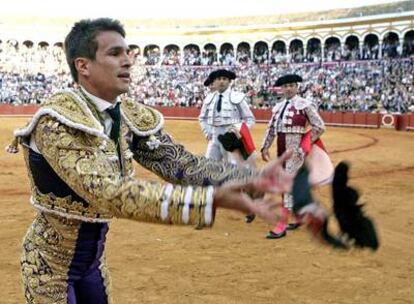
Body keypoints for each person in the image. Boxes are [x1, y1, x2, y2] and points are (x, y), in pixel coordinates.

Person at [6, 18, 293, 303]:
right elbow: (109, 193)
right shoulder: (57, 121)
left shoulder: (128, 113)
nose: (128, 60)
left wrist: (245, 178)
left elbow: (178, 162)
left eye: (127, 52)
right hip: (49, 267)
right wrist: (208, 201)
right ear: (83, 66)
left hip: (92, 264)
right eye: (115, 53)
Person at [261, 74, 326, 239]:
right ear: (281, 89)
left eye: (291, 85)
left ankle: (282, 224)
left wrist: (305, 145)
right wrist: (265, 146)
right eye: (285, 86)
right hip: (281, 150)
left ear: (297, 87)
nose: (288, 88)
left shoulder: (305, 105)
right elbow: (271, 129)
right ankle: (298, 217)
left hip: (295, 152)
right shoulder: (278, 107)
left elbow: (319, 126)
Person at [198, 69, 255, 165]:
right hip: (214, 137)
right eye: (218, 79)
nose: (221, 81)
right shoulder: (209, 98)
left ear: (229, 82)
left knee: (233, 168)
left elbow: (250, 119)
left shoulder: (237, 97)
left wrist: (238, 132)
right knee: (209, 167)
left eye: (224, 79)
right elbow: (202, 118)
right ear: (214, 82)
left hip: (231, 138)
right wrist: (207, 132)